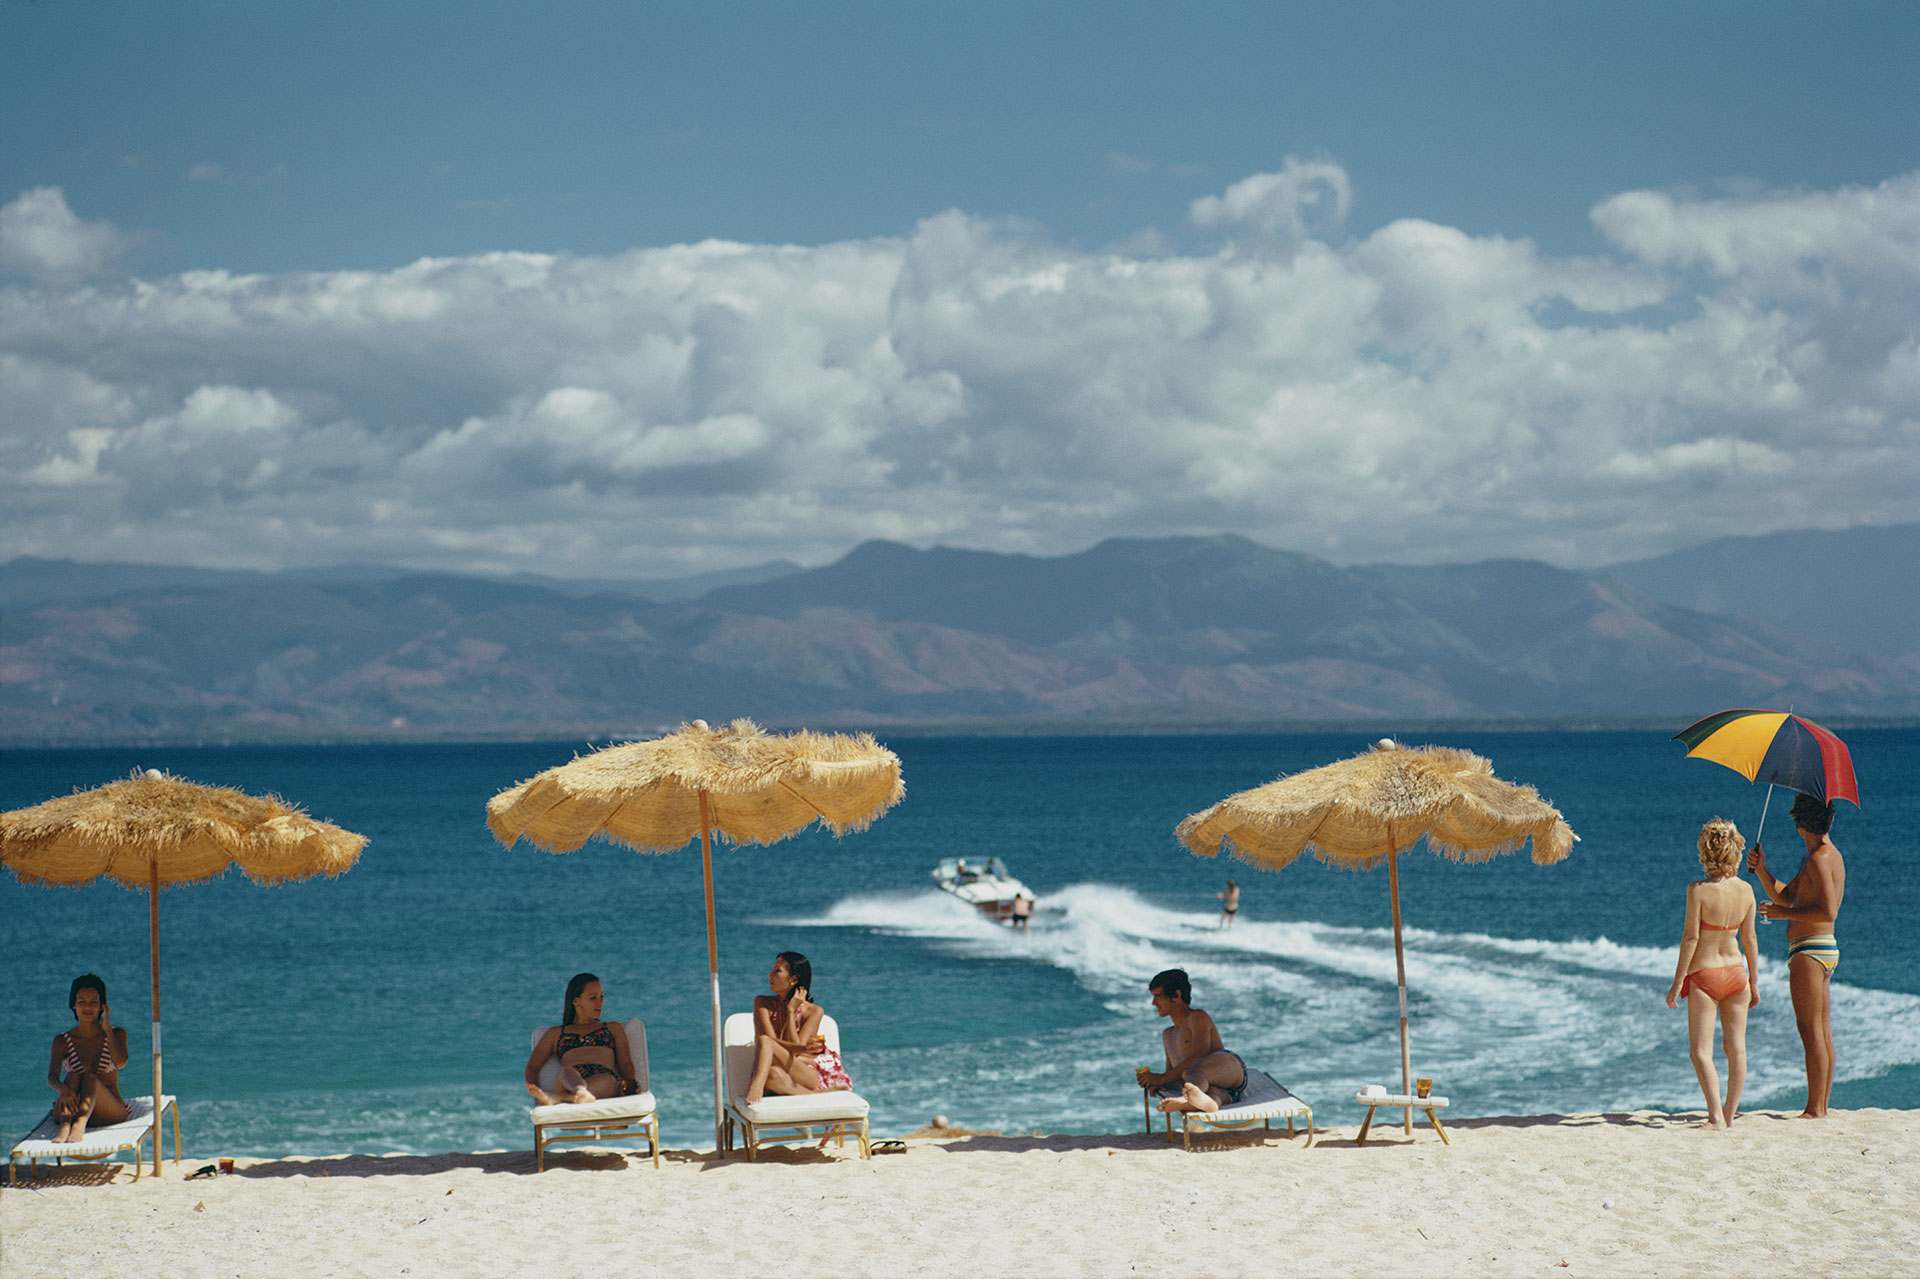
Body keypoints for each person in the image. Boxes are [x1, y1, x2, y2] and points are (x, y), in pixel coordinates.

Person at [1748, 793, 1846, 1118]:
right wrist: (1762, 870)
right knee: (1821, 1028)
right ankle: (1821, 1105)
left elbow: (1826, 911)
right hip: (1822, 949)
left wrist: (1781, 915)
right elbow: (1787, 896)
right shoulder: (1822, 856)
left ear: (1802, 823)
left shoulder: (1819, 858)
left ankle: (1815, 1108)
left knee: (1809, 1028)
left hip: (1810, 950)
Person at [1664, 819, 1760, 1128]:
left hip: (1705, 975)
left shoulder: (1697, 891)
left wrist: (1678, 982)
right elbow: (1750, 940)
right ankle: (1730, 1115)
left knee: (1700, 1052)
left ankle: (1716, 1116)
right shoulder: (1746, 891)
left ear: (1706, 850)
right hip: (1736, 973)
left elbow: (1691, 939)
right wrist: (1754, 981)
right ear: (1736, 851)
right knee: (1737, 1049)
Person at [744, 951, 852, 1105]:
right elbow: (771, 1043)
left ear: (793, 979)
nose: (770, 975)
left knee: (766, 1041)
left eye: (777, 971)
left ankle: (755, 1088)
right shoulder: (762, 1003)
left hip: (803, 1072)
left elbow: (794, 1053)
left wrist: (790, 1012)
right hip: (773, 1073)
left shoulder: (814, 1011)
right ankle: (816, 1095)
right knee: (773, 1072)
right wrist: (803, 1048)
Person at [523, 972, 639, 1106]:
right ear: (575, 1001)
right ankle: (580, 1092)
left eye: (601, 996)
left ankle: (557, 1098)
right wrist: (536, 1093)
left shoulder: (612, 1028)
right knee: (565, 1071)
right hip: (569, 1081)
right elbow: (532, 1067)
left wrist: (630, 1086)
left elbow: (625, 1063)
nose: (600, 1002)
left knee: (609, 1080)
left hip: (603, 1079)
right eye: (593, 998)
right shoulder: (556, 1033)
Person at [1141, 968, 1246, 1114]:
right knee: (1210, 1095)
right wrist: (1158, 1084)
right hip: (1223, 1090)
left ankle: (1187, 1100)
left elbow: (1198, 1056)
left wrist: (1161, 1078)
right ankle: (1208, 1103)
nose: (1153, 1003)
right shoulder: (1167, 1035)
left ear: (1177, 995)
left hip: (1229, 1070)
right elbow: (1173, 1075)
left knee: (1192, 1070)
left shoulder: (1197, 1017)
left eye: (1158, 996)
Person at [46, 974, 130, 1143]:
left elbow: (120, 1063)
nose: (87, 1007)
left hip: (108, 1111)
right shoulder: (62, 1041)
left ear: (102, 1006)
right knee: (72, 1076)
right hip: (68, 1110)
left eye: (93, 1002)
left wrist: (107, 1029)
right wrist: (64, 1090)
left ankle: (78, 1125)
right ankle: (65, 1127)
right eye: (82, 1002)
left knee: (89, 1077)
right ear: (73, 1005)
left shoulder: (117, 1034)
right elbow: (52, 1077)